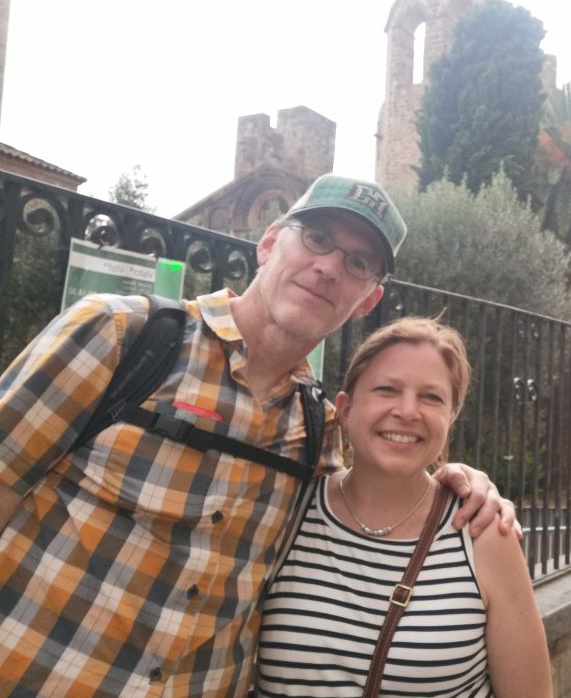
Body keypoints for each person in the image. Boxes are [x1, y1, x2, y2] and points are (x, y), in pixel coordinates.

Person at [0, 175, 515, 697]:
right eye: (316, 238)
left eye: (358, 263)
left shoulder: (317, 432)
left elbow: (376, 491)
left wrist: (463, 482)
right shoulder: (120, 337)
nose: (330, 266)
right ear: (269, 242)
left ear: (367, 300)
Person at [257, 317, 553, 697]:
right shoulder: (287, 510)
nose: (408, 411)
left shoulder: (482, 533)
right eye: (386, 389)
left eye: (431, 397)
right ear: (345, 408)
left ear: (450, 418)